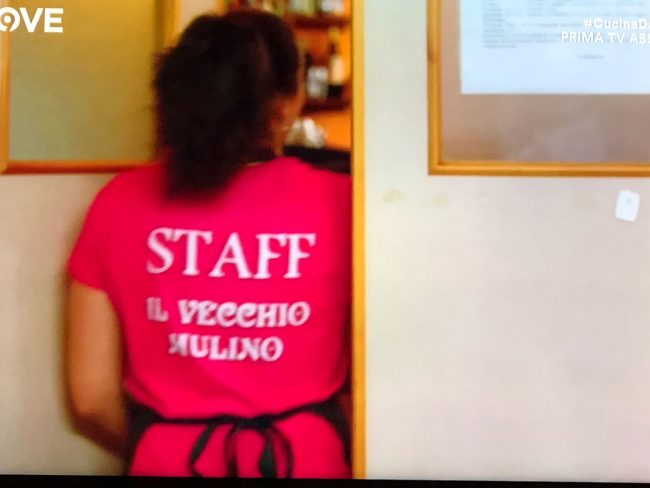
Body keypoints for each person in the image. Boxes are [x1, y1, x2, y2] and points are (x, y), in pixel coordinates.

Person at [65, 9, 351, 479]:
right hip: (304, 462)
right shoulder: (346, 205)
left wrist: (165, 443)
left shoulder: (116, 203)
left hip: (168, 463)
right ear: (286, 101)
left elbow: (91, 396)